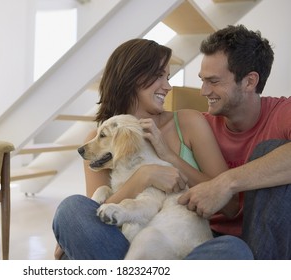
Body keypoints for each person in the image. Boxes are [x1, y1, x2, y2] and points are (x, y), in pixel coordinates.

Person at [52, 38, 244, 260]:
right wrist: (145, 176)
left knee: (232, 249)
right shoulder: (97, 142)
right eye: (159, 75)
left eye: (168, 77)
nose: (168, 86)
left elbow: (230, 205)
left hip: (183, 244)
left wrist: (169, 157)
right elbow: (97, 217)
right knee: (71, 210)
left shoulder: (188, 122)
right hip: (124, 246)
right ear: (131, 77)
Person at [178, 24, 291, 259]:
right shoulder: (198, 126)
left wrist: (226, 182)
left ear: (249, 82)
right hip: (209, 241)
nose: (203, 91)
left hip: (269, 244)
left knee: (271, 150)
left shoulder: (282, 112)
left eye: (214, 81)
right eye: (202, 80)